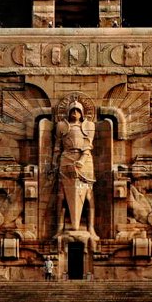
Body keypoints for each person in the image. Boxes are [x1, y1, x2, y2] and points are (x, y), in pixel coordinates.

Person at [52, 100, 97, 237]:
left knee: (88, 196)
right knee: (61, 196)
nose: (75, 113)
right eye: (72, 110)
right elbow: (57, 146)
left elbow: (88, 145)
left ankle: (91, 228)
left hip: (85, 162)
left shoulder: (89, 125)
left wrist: (82, 161)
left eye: (78, 111)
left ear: (82, 113)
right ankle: (59, 228)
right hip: (66, 159)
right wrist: (54, 163)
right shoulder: (61, 126)